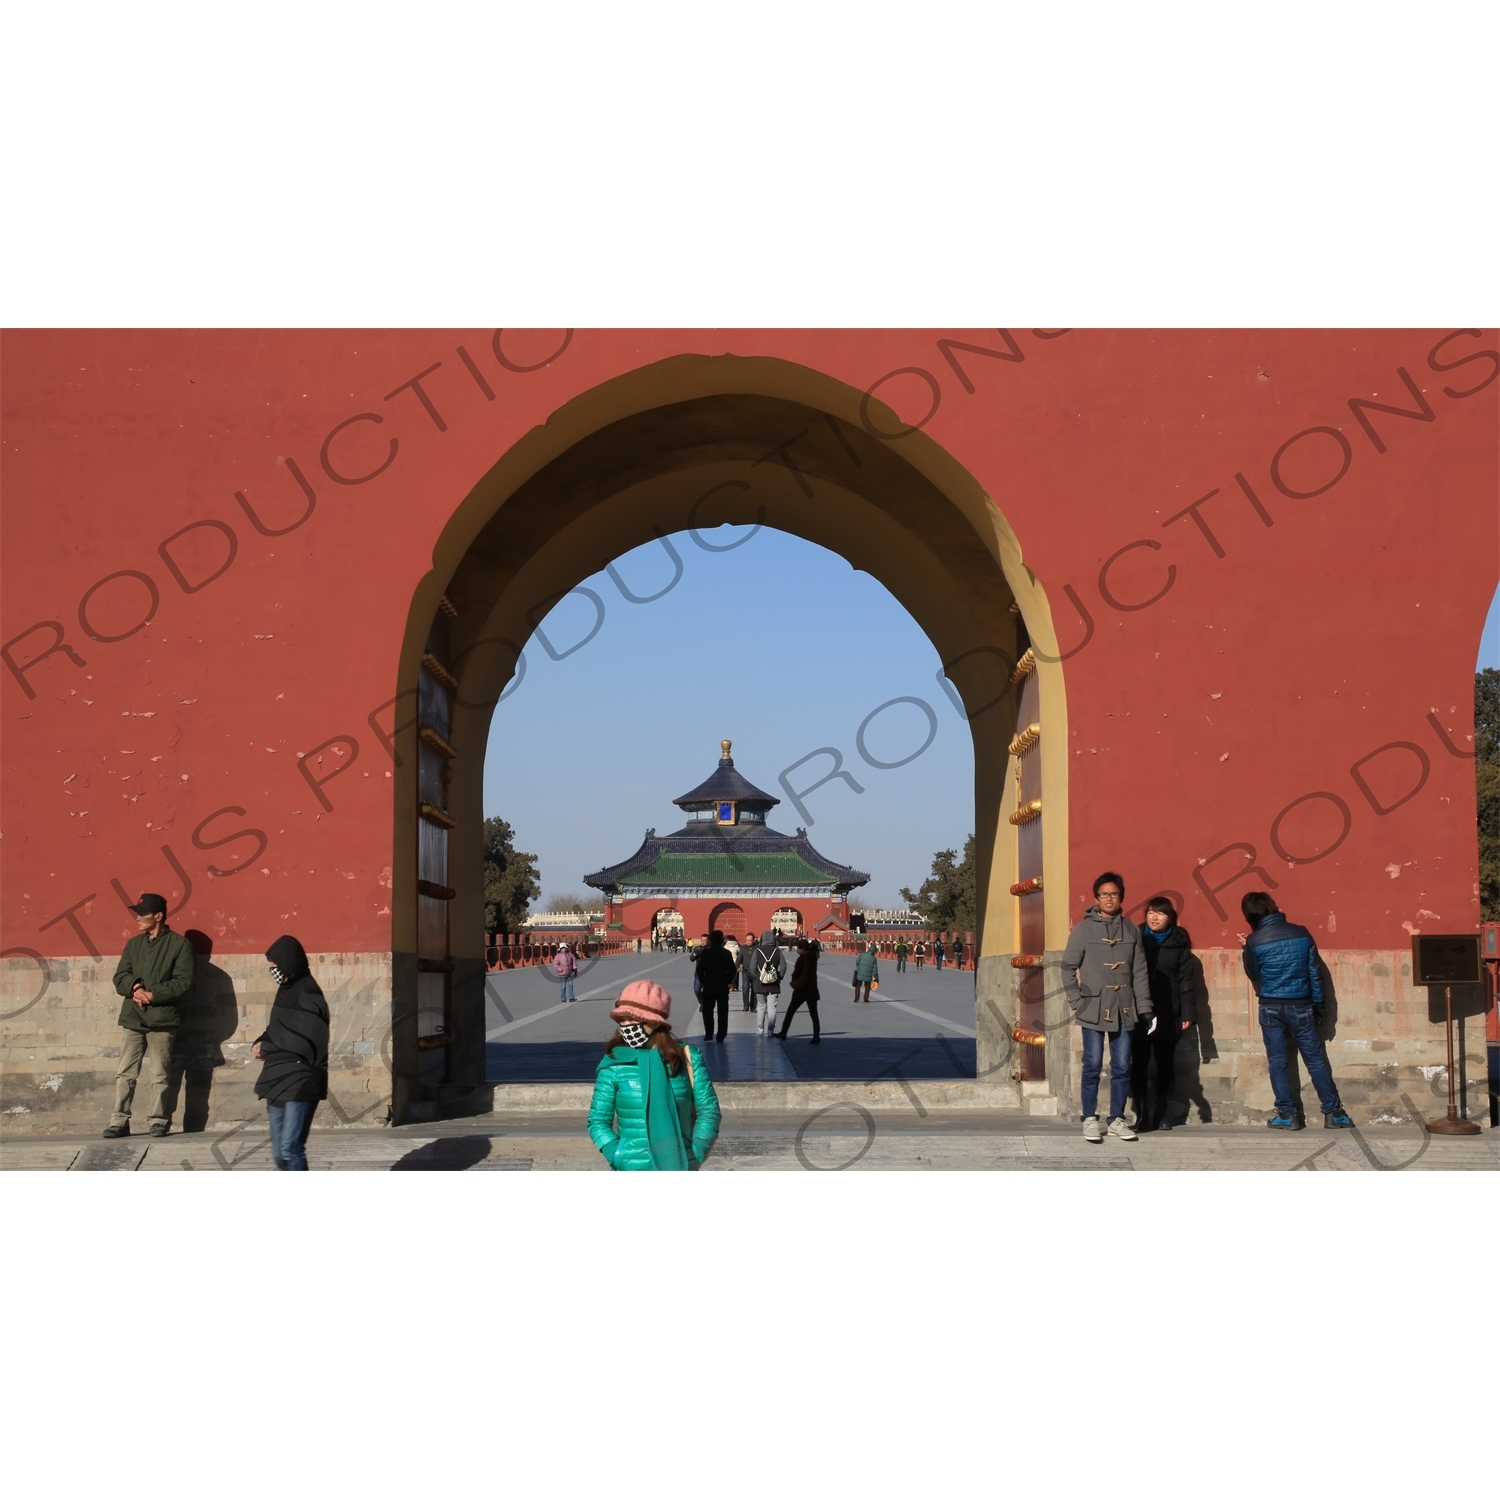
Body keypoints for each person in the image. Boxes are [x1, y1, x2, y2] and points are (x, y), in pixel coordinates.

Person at [1240, 892, 1355, 1130]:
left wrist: (1245, 949)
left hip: (1270, 1006)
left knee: (1277, 1062)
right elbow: (1315, 972)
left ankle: (1287, 1114)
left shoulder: (1254, 941)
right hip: (1301, 1005)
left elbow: (1254, 974)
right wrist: (1320, 1006)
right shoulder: (1301, 933)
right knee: (1315, 1061)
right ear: (1274, 907)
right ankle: (1334, 1114)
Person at [587, 979, 720, 1170]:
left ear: (655, 1022)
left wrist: (696, 1153)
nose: (625, 1025)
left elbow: (709, 1111)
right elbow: (598, 1121)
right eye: (621, 1020)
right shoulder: (614, 1062)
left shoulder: (687, 1058)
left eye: (632, 1019)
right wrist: (617, 1154)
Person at [1061, 872, 1152, 1143]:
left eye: (1114, 894)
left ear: (1121, 897)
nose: (1109, 898)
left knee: (1123, 1065)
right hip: (1093, 1007)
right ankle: (1089, 1117)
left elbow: (1140, 971)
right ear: (1096, 898)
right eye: (1104, 894)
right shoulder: (1083, 929)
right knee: (1091, 1064)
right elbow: (1067, 967)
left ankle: (1117, 1119)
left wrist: (1145, 1006)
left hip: (1125, 1007)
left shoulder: (1131, 930)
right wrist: (1077, 1000)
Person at [104, 893, 196, 1139]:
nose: (138, 918)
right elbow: (120, 976)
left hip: (162, 1019)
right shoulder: (133, 944)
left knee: (160, 1073)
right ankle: (119, 1121)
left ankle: (158, 1121)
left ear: (159, 916)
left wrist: (153, 995)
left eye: (143, 914)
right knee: (125, 1073)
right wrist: (135, 988)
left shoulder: (180, 945)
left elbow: (183, 982)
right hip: (133, 1017)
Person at [251, 935, 329, 1171]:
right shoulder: (286, 988)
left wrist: (268, 1047)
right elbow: (278, 1026)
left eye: (275, 967)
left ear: (289, 964)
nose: (273, 972)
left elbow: (305, 1036)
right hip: (277, 1078)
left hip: (302, 1079)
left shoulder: (309, 992)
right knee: (279, 1152)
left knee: (291, 1147)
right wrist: (261, 1040)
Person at [1129, 897, 1196, 1131]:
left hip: (1169, 1011)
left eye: (1160, 913)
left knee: (1165, 1065)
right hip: (1139, 1011)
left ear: (1171, 918)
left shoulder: (1179, 944)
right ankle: (1142, 1115)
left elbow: (1186, 981)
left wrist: (1187, 1012)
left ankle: (1162, 1114)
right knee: (1138, 1064)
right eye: (1150, 912)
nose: (1154, 917)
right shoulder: (1135, 938)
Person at [693, 930, 736, 1043]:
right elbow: (732, 969)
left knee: (707, 1012)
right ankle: (721, 1035)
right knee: (722, 1012)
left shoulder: (706, 953)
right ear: (722, 940)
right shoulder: (726, 953)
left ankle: (708, 1034)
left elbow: (699, 970)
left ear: (711, 940)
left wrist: (704, 981)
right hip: (722, 987)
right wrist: (728, 981)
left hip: (709, 987)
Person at [777, 938, 822, 1043]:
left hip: (801, 990)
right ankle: (816, 1036)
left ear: (801, 949)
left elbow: (797, 973)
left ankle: (783, 1032)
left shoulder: (802, 959)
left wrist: (794, 980)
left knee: (790, 1011)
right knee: (814, 1013)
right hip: (811, 989)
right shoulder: (813, 957)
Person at [749, 928, 787, 1037]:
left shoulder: (757, 950)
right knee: (772, 1008)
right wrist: (779, 977)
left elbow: (752, 967)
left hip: (760, 984)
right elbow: (783, 966)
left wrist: (757, 976)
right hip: (774, 984)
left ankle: (760, 1029)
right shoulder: (777, 951)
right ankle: (770, 1030)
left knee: (761, 1007)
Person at [739, 931, 758, 1013]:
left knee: (755, 990)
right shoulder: (743, 948)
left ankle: (753, 1006)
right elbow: (738, 959)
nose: (747, 942)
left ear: (753, 940)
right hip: (745, 971)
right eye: (746, 940)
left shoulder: (757, 948)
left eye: (749, 940)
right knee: (745, 988)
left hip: (755, 972)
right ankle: (746, 1005)